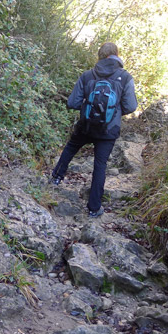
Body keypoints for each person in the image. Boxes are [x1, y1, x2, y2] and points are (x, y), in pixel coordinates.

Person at [50, 42, 137, 218]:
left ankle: (55, 179)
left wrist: (88, 109)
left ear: (100, 57)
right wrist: (114, 112)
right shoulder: (125, 77)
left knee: (71, 148)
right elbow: (131, 106)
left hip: (86, 126)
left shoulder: (87, 75)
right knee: (100, 165)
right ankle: (94, 208)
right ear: (116, 55)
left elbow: (72, 102)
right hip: (108, 130)